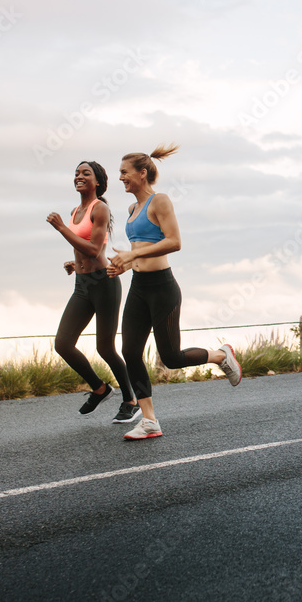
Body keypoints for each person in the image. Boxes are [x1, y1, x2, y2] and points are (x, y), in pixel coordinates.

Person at [107, 144, 242, 441]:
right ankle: (150, 420)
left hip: (163, 289)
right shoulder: (132, 209)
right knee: (130, 351)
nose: (120, 178)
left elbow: (174, 241)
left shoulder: (160, 201)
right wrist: (126, 265)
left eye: (124, 173)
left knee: (171, 358)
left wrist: (131, 257)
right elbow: (140, 252)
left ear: (142, 174)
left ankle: (220, 355)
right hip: (138, 288)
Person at [47, 161, 141, 424]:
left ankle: (130, 399)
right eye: (76, 173)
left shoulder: (100, 208)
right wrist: (74, 264)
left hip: (104, 283)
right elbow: (82, 251)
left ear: (97, 181)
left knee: (105, 348)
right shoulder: (75, 210)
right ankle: (100, 388)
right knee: (63, 344)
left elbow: (93, 249)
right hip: (82, 284)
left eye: (85, 173)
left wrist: (61, 228)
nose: (79, 176)